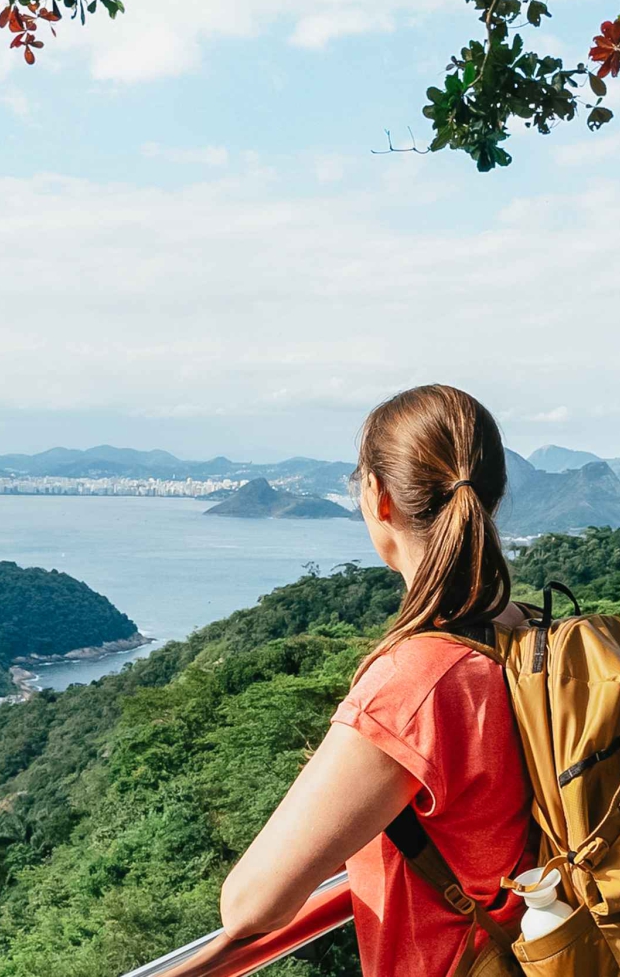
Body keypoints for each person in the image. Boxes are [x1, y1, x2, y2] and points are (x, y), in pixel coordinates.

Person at [221, 384, 532, 977]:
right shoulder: (530, 630)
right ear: (490, 496)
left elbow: (248, 907)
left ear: (378, 497)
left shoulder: (413, 684)